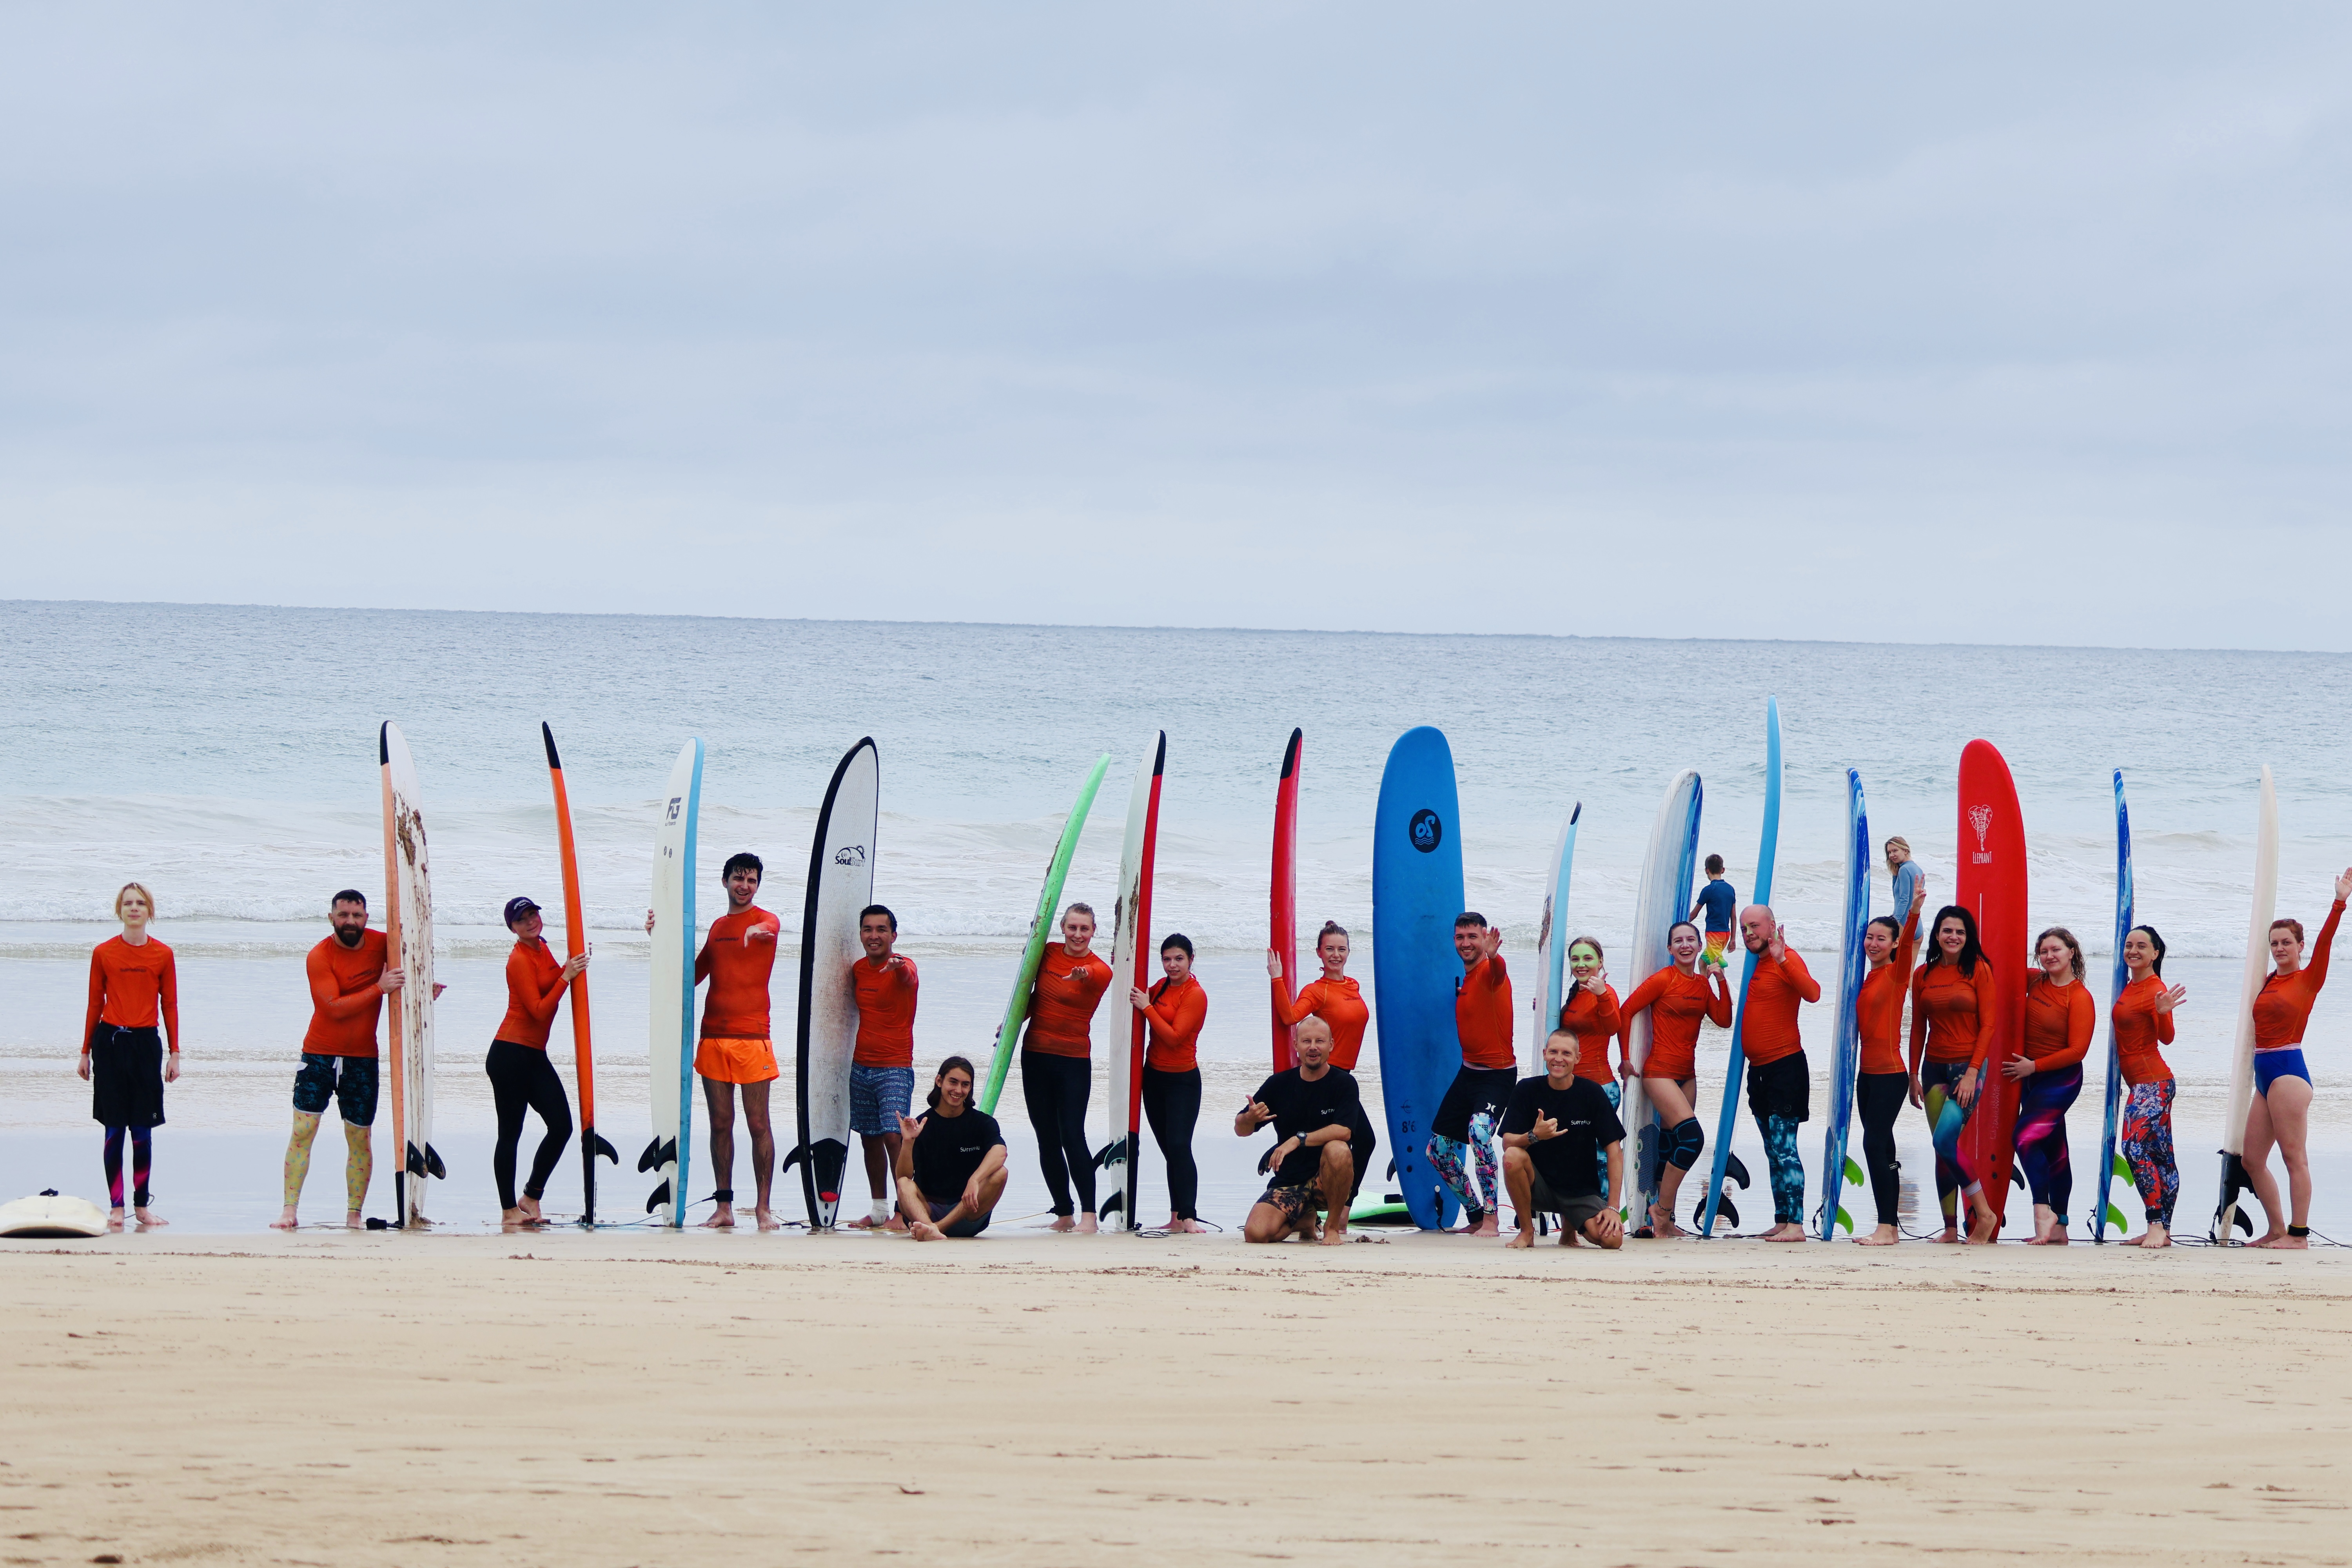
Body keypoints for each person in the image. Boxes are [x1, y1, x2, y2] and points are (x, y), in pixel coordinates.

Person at [272, 890, 405, 1230]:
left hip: (363, 1060)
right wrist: (379, 989)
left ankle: (354, 1214)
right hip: (319, 1056)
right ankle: (289, 1211)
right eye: (343, 915)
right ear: (331, 917)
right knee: (303, 1132)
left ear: (366, 918)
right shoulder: (319, 956)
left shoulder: (384, 944)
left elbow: (406, 970)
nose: (350, 922)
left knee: (359, 1138)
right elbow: (332, 1008)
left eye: (357, 916)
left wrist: (423, 986)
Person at [2243, 869, 2352, 1249]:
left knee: (2294, 1157)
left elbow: (2326, 942)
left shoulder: (2308, 979)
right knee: (2252, 1160)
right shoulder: (2267, 981)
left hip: (2288, 1072)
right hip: (2263, 1073)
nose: (2279, 948)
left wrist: (2339, 901)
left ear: (2300, 946)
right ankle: (2277, 1229)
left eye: (2287, 942)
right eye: (2274, 943)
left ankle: (2299, 1235)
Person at [677, 852, 781, 1230]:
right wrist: (662, 937)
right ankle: (724, 1208)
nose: (745, 886)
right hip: (713, 1037)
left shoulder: (766, 921)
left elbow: (770, 927)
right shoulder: (718, 927)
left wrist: (755, 932)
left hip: (752, 1038)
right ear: (725, 882)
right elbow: (691, 976)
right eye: (739, 878)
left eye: (752, 880)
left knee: (758, 1124)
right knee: (720, 1124)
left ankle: (763, 1209)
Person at [1616, 920, 1733, 1237]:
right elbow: (1626, 1011)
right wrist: (1625, 1058)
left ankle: (1666, 1222)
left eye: (1691, 940)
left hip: (1687, 1075)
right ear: (1670, 948)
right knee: (1693, 1140)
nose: (1685, 945)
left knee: (1670, 1146)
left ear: (1699, 947)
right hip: (1660, 1072)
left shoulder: (1702, 985)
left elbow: (1724, 1020)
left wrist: (1721, 980)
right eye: (1678, 941)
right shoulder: (1663, 979)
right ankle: (1662, 1211)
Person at [79, 882, 180, 1230]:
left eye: (140, 903)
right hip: (110, 1044)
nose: (134, 908)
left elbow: (170, 1004)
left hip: (145, 1045)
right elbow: (95, 1003)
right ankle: (117, 1208)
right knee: (114, 1130)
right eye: (128, 904)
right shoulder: (104, 953)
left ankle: (142, 1207)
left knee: (142, 1131)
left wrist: (175, 1053)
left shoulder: (163, 954)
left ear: (150, 911)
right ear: (119, 911)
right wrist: (85, 1052)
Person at [486, 895, 588, 1230]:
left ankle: (530, 1197)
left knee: (562, 1127)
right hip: (510, 1054)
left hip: (534, 1054)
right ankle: (508, 1210)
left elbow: (555, 978)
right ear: (512, 928)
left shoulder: (542, 947)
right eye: (522, 919)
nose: (531, 921)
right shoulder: (518, 959)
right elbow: (539, 1010)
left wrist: (572, 964)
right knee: (510, 1134)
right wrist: (567, 976)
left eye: (533, 914)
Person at [1908, 904, 2001, 1244]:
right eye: (1948, 930)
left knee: (1944, 1141)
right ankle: (1950, 1229)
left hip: (1967, 1067)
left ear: (1968, 937)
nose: (1954, 937)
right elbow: (1918, 1027)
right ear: (1937, 935)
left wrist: (1973, 1072)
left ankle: (1985, 1215)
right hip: (1933, 1068)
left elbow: (1988, 1025)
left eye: (1960, 932)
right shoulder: (1923, 975)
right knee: (1942, 1151)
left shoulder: (1979, 970)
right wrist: (1913, 1074)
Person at [1267, 920, 1378, 1195]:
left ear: (1349, 952)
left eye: (1342, 949)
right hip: (1327, 1078)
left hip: (1344, 1078)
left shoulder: (1353, 985)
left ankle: (1335, 1199)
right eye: (1329, 949)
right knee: (1363, 1140)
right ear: (1319, 952)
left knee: (1358, 1141)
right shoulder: (1317, 990)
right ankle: (1341, 1202)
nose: (1336, 955)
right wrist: (1277, 978)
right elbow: (1290, 1017)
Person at [1022, 902, 1114, 1232]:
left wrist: (1082, 974)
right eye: (1072, 927)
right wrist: (1012, 1022)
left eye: (1084, 929)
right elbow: (1032, 996)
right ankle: (1064, 1214)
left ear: (1093, 931)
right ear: (1062, 927)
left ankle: (1089, 1217)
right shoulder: (1047, 953)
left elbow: (1093, 975)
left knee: (1072, 1136)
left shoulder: (1100, 969)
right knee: (1046, 1138)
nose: (1078, 934)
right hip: (1035, 1055)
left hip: (1073, 1061)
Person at [1426, 913, 1517, 1237]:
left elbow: (1499, 971)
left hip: (1497, 1076)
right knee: (1437, 1151)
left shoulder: (1490, 973)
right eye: (1460, 937)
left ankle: (1492, 1218)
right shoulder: (1466, 979)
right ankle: (1476, 1215)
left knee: (1479, 1133)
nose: (1466, 944)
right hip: (1468, 1074)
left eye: (1473, 937)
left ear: (1484, 938)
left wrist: (1495, 957)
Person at [1733, 904, 1820, 1241]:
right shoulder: (1756, 963)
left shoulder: (1787, 958)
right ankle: (1782, 1220)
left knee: (1785, 1149)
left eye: (1755, 926)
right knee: (1772, 1151)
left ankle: (1796, 1225)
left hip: (1786, 1068)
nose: (1749, 933)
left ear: (1772, 926)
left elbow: (1813, 994)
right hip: (1759, 1072)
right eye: (1744, 928)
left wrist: (1783, 959)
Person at [1236, 1015, 1359, 1245]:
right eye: (1306, 1041)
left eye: (1320, 1041)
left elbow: (1345, 1131)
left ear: (1331, 1045)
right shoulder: (1279, 1084)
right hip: (1290, 1181)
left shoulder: (1344, 1083)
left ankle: (1331, 1227)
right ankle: (1304, 1220)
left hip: (1327, 1182)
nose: (1313, 1047)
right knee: (1256, 1234)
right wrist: (1249, 1119)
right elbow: (1241, 1130)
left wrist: (1298, 1139)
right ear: (1296, 1045)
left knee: (1338, 1149)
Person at [1501, 1029, 1628, 1249]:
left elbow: (1614, 1151)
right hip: (1538, 1187)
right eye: (1553, 1052)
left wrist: (1613, 1207)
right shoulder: (1527, 1089)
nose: (1559, 1059)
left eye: (1566, 1053)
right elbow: (1507, 1143)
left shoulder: (1592, 1093)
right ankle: (1527, 1232)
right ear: (1544, 1054)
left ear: (1577, 1058)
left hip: (1580, 1193)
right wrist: (1534, 1136)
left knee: (1613, 1240)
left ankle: (1569, 1233)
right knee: (1513, 1156)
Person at [1853, 872, 1927, 1246]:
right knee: (1884, 1148)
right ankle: (1891, 1227)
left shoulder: (1897, 975)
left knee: (1874, 1145)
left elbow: (1910, 940)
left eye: (1881, 938)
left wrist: (1912, 913)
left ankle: (1885, 1226)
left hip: (1889, 1075)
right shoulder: (1864, 978)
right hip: (1866, 1077)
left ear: (1895, 943)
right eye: (1869, 937)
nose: (1873, 943)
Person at [2008, 926, 2095, 1245]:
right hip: (2030, 1076)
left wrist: (2035, 1066)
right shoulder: (2035, 981)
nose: (2049, 956)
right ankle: (2061, 1226)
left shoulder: (2079, 997)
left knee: (2024, 1138)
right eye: (2044, 951)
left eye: (2056, 950)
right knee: (2055, 1149)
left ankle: (2043, 1212)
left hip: (2061, 1078)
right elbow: (2000, 969)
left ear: (2072, 952)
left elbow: (2078, 1051)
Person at [846, 904, 920, 1230]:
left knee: (895, 1136)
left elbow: (908, 977)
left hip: (895, 1067)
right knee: (869, 1138)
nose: (874, 936)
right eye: (868, 929)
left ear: (894, 935)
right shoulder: (859, 969)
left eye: (881, 930)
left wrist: (897, 968)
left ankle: (904, 1212)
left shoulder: (905, 966)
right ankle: (879, 1210)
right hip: (861, 1066)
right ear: (861, 934)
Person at [2113, 925, 2186, 1248]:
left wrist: (2164, 1013)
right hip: (2143, 1085)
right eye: (2129, 945)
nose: (2133, 951)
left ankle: (2156, 1223)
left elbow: (2167, 1038)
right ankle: (2163, 1230)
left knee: (2133, 1147)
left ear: (2156, 953)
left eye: (2142, 946)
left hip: (2153, 1084)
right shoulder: (2130, 985)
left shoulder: (2156, 988)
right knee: (2161, 1156)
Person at [1133, 933, 1209, 1233]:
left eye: (1179, 959)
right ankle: (1176, 1217)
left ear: (1191, 960)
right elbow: (1136, 993)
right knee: (1169, 1149)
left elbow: (1175, 1038)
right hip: (1153, 1078)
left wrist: (1147, 1008)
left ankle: (1189, 1217)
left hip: (1183, 1081)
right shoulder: (1161, 986)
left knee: (1179, 1146)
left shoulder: (1195, 994)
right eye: (1167, 959)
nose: (1173, 965)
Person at [894, 1056, 1008, 1240]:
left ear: (970, 1088)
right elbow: (903, 1177)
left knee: (1000, 1173)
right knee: (904, 1184)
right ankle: (931, 1229)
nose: (958, 1090)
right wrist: (908, 1143)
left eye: (965, 1085)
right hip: (925, 1212)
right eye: (953, 1082)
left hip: (967, 1213)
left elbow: (1000, 1152)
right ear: (939, 1081)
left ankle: (934, 1230)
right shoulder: (922, 1124)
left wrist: (975, 1180)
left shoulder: (982, 1123)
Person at [1556, 936, 1622, 1192]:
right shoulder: (1575, 995)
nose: (1581, 964)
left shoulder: (1605, 992)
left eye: (1588, 958)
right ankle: (1577, 1211)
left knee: (1599, 1158)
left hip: (1600, 1088)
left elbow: (1613, 1027)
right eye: (1575, 959)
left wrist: (1602, 995)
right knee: (1572, 1155)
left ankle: (1605, 1210)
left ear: (1600, 962)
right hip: (1573, 1087)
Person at [1690, 855, 1737, 969]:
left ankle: (1723, 982)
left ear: (1707, 870)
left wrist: (1680, 925)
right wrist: (1733, 939)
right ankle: (1704, 981)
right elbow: (1734, 916)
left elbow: (1695, 914)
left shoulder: (1709, 890)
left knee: (1717, 965)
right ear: (1723, 870)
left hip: (1714, 934)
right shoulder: (1730, 889)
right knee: (1703, 962)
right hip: (1726, 934)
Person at [1886, 837, 1921, 923]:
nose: (1891, 855)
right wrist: (1895, 876)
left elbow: (1904, 900)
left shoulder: (1904, 869)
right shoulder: (1918, 869)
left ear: (1905, 851)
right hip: (1916, 922)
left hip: (1904, 922)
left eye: (1895, 851)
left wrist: (1894, 922)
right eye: (1889, 852)